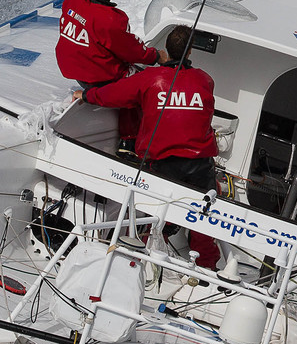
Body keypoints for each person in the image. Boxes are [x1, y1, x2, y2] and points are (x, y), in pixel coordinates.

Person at [74, 25, 221, 270]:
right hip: (200, 165)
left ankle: (140, 263)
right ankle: (208, 268)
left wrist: (86, 96)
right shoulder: (205, 80)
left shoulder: (150, 79)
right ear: (191, 50)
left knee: (156, 219)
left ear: (166, 50)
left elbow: (114, 94)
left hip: (162, 165)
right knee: (202, 221)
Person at [57, 0, 166, 154]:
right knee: (141, 84)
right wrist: (157, 56)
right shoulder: (111, 19)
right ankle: (129, 141)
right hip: (97, 78)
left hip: (73, 69)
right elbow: (134, 52)